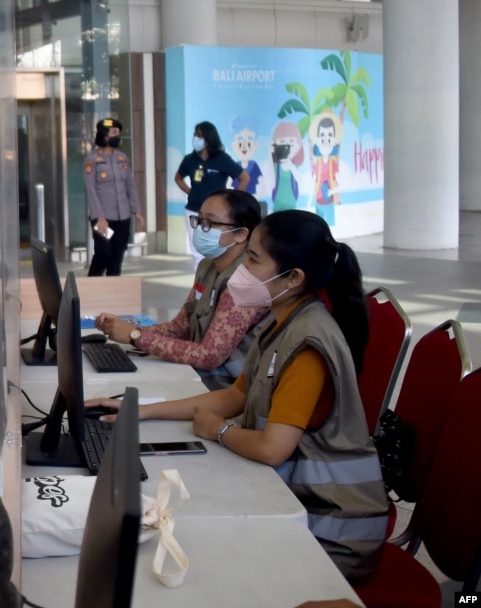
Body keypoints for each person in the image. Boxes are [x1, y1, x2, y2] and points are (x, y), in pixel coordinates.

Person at [89, 209, 387, 581]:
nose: (242, 269)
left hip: (331, 531)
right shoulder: (282, 319)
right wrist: (140, 410)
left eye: (253, 258)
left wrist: (219, 432)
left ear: (293, 277)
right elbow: (233, 398)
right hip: (294, 498)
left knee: (200, 558)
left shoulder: (308, 343)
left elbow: (271, 448)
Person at [94, 189, 268, 390]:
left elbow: (209, 356)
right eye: (199, 220)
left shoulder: (244, 282)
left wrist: (136, 336)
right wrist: (122, 327)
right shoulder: (207, 267)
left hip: (226, 389)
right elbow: (178, 328)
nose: (200, 229)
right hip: (199, 374)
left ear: (240, 234)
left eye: (210, 223)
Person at [175, 121, 250, 269]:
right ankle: (199, 283)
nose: (195, 138)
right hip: (194, 209)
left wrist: (233, 199)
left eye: (199, 135)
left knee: (216, 247)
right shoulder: (190, 160)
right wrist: (191, 192)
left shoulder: (222, 159)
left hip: (216, 214)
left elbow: (244, 178)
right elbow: (178, 178)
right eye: (195, 135)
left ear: (209, 138)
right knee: (196, 249)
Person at [84, 118, 145, 276]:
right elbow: (91, 190)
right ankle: (90, 287)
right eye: (114, 133)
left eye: (119, 133)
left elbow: (130, 185)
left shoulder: (122, 158)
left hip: (122, 218)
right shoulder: (92, 160)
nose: (118, 136)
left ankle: (112, 294)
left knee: (117, 257)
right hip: (103, 219)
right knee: (103, 253)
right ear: (104, 136)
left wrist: (137, 211)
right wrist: (99, 217)